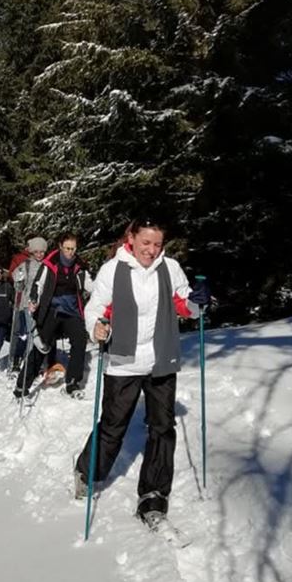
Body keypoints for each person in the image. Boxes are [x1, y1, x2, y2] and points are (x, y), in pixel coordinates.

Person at [72, 217, 210, 529]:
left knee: (162, 428)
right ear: (131, 238)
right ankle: (87, 471)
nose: (151, 250)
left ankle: (153, 495)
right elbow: (96, 309)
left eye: (157, 244)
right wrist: (96, 326)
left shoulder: (170, 268)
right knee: (113, 425)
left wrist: (197, 301)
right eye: (145, 242)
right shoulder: (113, 270)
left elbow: (185, 305)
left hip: (161, 357)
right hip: (124, 360)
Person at [14, 231, 93, 399]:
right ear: (60, 246)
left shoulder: (80, 266)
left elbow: (91, 286)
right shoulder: (50, 264)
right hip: (52, 309)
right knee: (42, 345)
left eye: (73, 248)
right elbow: (38, 284)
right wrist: (34, 299)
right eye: (67, 248)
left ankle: (72, 382)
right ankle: (22, 385)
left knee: (79, 340)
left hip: (72, 311)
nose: (70, 252)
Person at [10, 237, 48, 372]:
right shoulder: (25, 265)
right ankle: (17, 360)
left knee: (40, 334)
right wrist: (18, 281)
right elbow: (18, 287)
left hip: (43, 305)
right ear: (32, 252)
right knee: (27, 334)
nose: (39, 255)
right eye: (36, 252)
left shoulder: (47, 265)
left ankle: (36, 363)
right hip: (27, 304)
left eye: (42, 252)